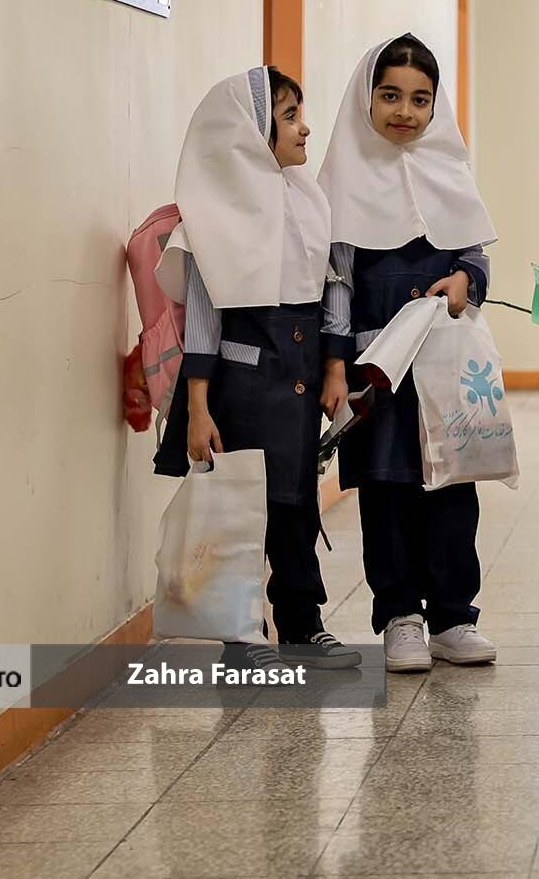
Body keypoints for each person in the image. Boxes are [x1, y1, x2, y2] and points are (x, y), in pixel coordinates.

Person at [154, 67, 359, 670]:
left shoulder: (313, 204)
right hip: (241, 391)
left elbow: (333, 289)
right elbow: (202, 320)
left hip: (299, 382)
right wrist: (197, 409)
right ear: (250, 131)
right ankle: (240, 638)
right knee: (242, 509)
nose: (305, 128)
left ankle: (303, 624)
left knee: (296, 506)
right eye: (290, 116)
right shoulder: (210, 216)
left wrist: (334, 368)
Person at [319, 35, 499, 674]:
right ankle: (400, 615)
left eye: (420, 99)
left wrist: (468, 281)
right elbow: (335, 283)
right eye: (390, 96)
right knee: (386, 489)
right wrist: (334, 366)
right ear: (366, 99)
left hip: (444, 361)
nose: (405, 111)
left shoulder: (449, 168)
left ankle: (453, 617)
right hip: (376, 368)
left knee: (451, 488)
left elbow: (475, 254)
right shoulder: (342, 181)